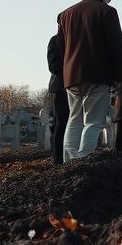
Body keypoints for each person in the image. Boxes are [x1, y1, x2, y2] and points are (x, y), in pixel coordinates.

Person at [56, 0, 122, 161]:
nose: (110, 0)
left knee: (74, 119)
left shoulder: (65, 14)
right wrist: (118, 76)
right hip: (97, 74)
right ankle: (84, 160)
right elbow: (115, 46)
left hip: (71, 76)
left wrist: (67, 70)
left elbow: (61, 47)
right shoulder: (107, 12)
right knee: (93, 121)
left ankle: (69, 161)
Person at [46, 31, 69, 164]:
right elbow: (53, 65)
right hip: (60, 88)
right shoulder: (55, 40)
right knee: (61, 124)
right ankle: (58, 160)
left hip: (76, 88)